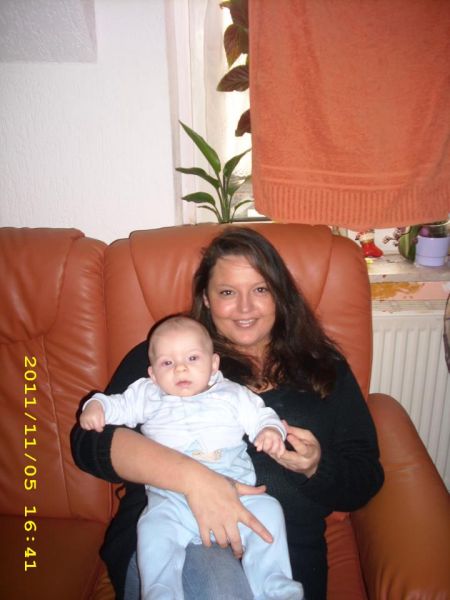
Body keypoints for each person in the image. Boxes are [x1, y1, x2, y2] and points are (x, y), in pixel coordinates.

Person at [72, 226, 384, 600]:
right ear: (206, 298)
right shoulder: (172, 357)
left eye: (260, 289)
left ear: (280, 294)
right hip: (176, 537)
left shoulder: (324, 368)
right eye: (227, 293)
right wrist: (195, 480)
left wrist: (316, 467)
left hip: (283, 557)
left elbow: (365, 478)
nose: (245, 308)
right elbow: (87, 441)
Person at [80, 315, 304, 600]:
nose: (181, 368)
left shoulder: (233, 394)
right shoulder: (147, 394)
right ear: (152, 374)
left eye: (193, 358)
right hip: (172, 501)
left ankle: (274, 586)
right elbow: (115, 404)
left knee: (269, 511)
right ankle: (160, 592)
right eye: (167, 363)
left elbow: (262, 416)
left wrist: (270, 431)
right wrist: (96, 406)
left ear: (214, 364)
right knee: (152, 529)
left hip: (236, 499)